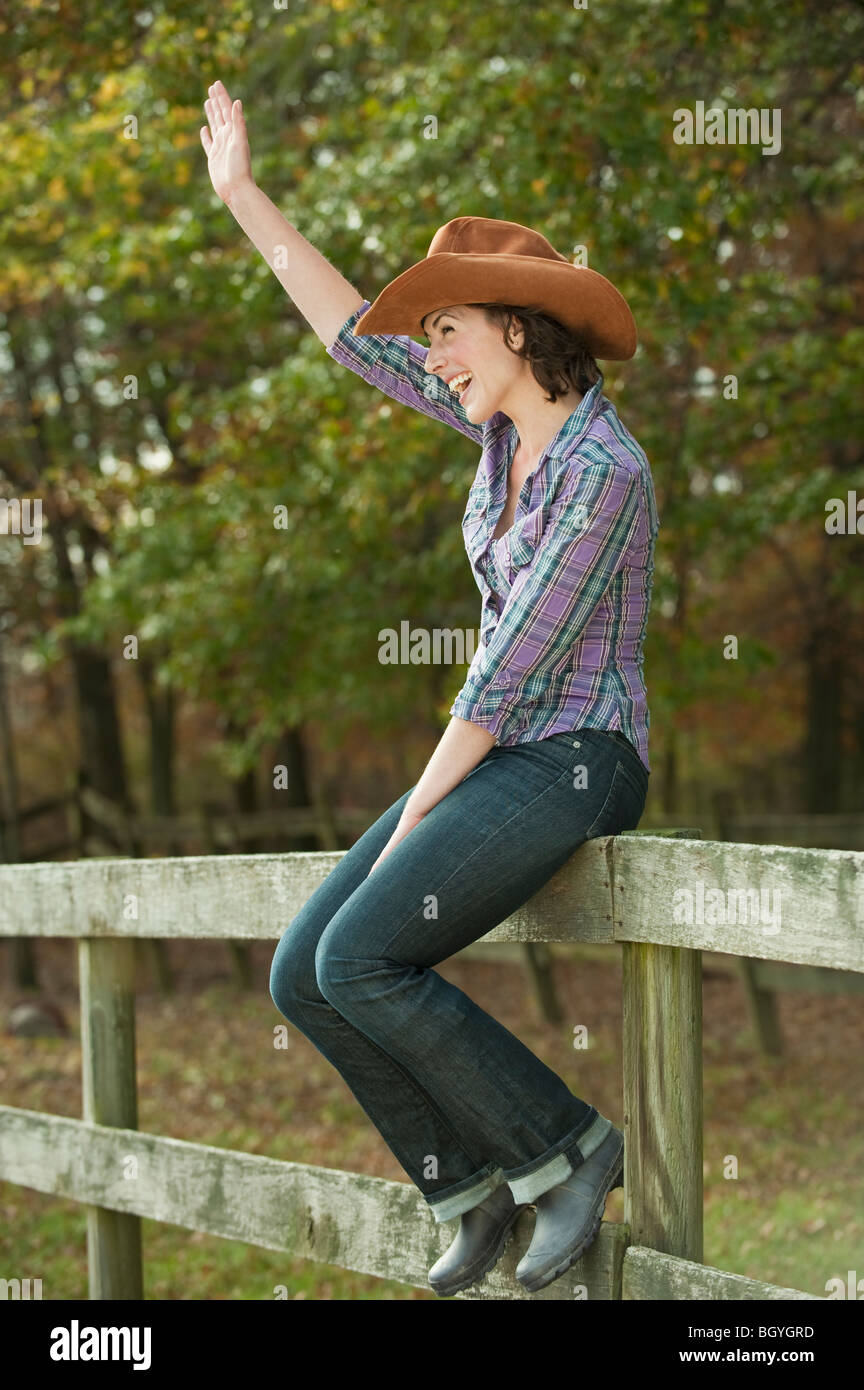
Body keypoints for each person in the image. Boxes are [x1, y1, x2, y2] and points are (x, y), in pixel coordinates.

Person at [201, 79, 660, 1296]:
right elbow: (352, 333)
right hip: (507, 755)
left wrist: (411, 810)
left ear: (515, 327)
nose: (432, 353)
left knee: (359, 958)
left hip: (578, 757)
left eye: (448, 328)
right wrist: (244, 197)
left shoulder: (607, 473)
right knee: (301, 970)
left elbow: (510, 680)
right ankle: (469, 1184)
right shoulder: (506, 436)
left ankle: (567, 1149)